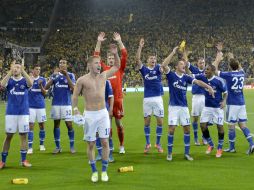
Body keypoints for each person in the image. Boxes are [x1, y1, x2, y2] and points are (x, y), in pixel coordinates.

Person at [72, 42, 120, 182]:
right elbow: (75, 96)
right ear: (89, 65)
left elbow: (117, 66)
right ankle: (94, 171)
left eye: (100, 63)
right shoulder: (82, 80)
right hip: (89, 115)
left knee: (105, 142)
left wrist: (115, 53)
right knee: (91, 144)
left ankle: (104, 171)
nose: (99, 65)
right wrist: (75, 110)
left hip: (103, 114)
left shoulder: (104, 76)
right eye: (96, 63)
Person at [161, 46, 215, 161]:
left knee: (187, 129)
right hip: (174, 107)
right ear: (176, 66)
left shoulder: (186, 77)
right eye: (181, 64)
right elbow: (164, 65)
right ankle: (169, 153)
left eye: (184, 65)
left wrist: (208, 87)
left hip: (184, 107)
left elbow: (198, 82)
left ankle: (186, 153)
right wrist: (173, 51)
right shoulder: (171, 75)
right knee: (171, 129)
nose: (184, 66)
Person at [213, 48, 254, 155]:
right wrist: (232, 58)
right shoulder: (242, 73)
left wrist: (218, 59)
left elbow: (214, 70)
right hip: (241, 103)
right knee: (243, 125)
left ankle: (232, 147)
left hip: (232, 103)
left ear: (230, 66)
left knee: (231, 126)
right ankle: (252, 144)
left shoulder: (228, 74)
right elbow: (238, 66)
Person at [94, 32, 127, 154]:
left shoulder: (119, 69)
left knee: (118, 123)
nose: (112, 60)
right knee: (108, 124)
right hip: (106, 101)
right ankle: (110, 145)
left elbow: (124, 54)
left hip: (118, 100)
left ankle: (122, 145)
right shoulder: (104, 69)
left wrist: (119, 42)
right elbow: (96, 56)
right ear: (107, 60)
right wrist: (99, 42)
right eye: (110, 58)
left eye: (113, 58)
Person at [0, 59, 33, 169]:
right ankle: (2, 161)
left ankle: (23, 160)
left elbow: (30, 83)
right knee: (9, 136)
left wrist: (23, 71)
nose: (16, 69)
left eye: (18, 67)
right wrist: (10, 72)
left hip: (23, 113)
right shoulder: (9, 81)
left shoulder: (24, 80)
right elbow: (2, 84)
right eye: (14, 67)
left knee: (23, 135)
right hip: (11, 113)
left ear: (22, 69)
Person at [136, 38, 164, 153]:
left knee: (160, 122)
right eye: (151, 58)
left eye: (154, 58)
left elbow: (164, 67)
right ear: (147, 60)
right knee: (147, 122)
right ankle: (148, 143)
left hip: (158, 98)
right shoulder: (144, 70)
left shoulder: (158, 68)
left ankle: (158, 143)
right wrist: (140, 47)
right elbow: (137, 59)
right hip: (147, 99)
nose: (153, 59)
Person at [194, 64, 228, 158]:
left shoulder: (219, 81)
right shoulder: (202, 77)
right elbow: (191, 75)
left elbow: (225, 93)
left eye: (207, 69)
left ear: (212, 71)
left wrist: (224, 101)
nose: (205, 71)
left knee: (220, 127)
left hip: (218, 107)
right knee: (202, 125)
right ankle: (211, 144)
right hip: (207, 107)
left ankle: (220, 148)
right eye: (205, 69)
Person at [45, 59, 76, 154]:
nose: (62, 64)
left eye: (64, 63)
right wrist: (53, 77)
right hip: (56, 104)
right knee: (56, 124)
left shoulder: (70, 75)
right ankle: (58, 147)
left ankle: (72, 146)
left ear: (67, 65)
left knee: (69, 124)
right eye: (60, 63)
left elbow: (73, 88)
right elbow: (46, 87)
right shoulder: (55, 75)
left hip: (66, 104)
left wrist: (66, 75)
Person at [187, 57, 207, 145]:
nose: (201, 64)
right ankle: (195, 138)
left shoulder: (207, 71)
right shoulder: (194, 70)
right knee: (195, 118)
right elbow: (187, 63)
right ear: (197, 63)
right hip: (196, 97)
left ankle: (204, 137)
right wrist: (184, 53)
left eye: (203, 62)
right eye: (200, 63)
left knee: (204, 119)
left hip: (205, 97)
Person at [27, 65, 47, 154]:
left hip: (40, 106)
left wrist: (40, 85)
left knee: (42, 125)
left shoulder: (42, 79)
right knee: (30, 126)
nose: (38, 70)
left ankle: (41, 145)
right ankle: (30, 147)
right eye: (36, 69)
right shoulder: (28, 79)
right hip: (30, 106)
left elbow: (44, 93)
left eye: (39, 69)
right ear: (33, 70)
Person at [95, 80, 115, 162]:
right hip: (93, 111)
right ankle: (100, 153)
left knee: (108, 134)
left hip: (105, 110)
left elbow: (111, 96)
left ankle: (110, 154)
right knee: (96, 134)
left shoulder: (106, 82)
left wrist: (111, 109)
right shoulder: (89, 81)